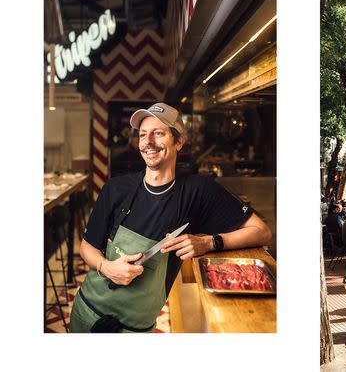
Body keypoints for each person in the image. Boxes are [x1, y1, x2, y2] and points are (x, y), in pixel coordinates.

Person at [70, 103, 271, 333]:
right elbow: (87, 247)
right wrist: (105, 267)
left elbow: (261, 231)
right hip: (87, 314)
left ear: (178, 142)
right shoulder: (116, 188)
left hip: (134, 330)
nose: (148, 142)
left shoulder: (198, 191)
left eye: (158, 133)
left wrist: (208, 242)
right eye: (143, 134)